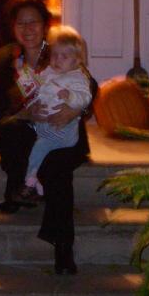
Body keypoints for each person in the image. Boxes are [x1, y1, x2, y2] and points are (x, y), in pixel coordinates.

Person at [0, 0, 97, 275]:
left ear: (45, 24)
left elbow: (90, 87)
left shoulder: (59, 50)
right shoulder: (6, 58)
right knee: (9, 129)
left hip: (63, 131)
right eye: (20, 23)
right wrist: (24, 112)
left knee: (58, 170)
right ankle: (18, 187)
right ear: (13, 28)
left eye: (33, 22)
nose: (27, 29)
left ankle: (63, 246)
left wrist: (73, 111)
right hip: (29, 129)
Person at [13, 25, 92, 204]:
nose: (57, 60)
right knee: (28, 143)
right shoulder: (49, 71)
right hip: (44, 124)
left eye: (64, 56)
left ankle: (30, 181)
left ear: (77, 61)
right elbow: (34, 86)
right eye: (55, 54)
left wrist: (70, 97)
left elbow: (85, 97)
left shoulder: (77, 77)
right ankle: (39, 184)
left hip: (62, 130)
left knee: (38, 149)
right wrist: (23, 73)